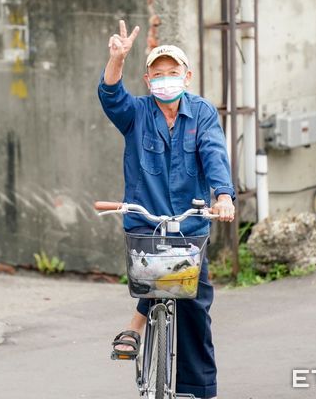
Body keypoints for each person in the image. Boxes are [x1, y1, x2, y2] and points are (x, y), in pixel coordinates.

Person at [97, 20, 235, 399]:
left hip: (190, 227)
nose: (165, 79)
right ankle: (139, 328)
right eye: (158, 74)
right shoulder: (137, 113)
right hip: (146, 224)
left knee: (194, 310)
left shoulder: (202, 113)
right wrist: (117, 59)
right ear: (147, 79)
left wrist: (223, 196)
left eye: (173, 73)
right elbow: (111, 96)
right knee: (153, 276)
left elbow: (214, 155)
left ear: (187, 77)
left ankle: (198, 390)